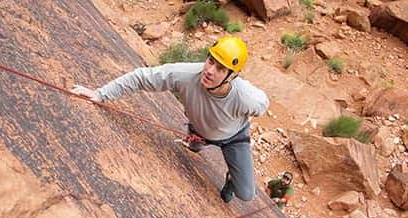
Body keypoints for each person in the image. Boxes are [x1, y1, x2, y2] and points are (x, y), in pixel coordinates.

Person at [72, 36, 269, 203]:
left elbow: (263, 104)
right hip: (199, 131)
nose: (210, 70)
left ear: (232, 76)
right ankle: (196, 137)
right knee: (194, 149)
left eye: (220, 69)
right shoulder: (185, 75)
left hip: (233, 138)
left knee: (246, 194)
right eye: (210, 61)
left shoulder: (245, 97)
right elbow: (142, 77)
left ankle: (231, 179)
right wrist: (100, 94)